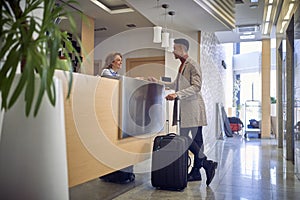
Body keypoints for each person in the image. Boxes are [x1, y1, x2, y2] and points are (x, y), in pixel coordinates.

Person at [148, 38, 217, 186]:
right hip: (186, 108)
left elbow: (196, 87)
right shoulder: (182, 66)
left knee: (189, 139)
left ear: (181, 48)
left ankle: (204, 165)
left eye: (174, 48)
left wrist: (177, 94)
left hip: (193, 108)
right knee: (192, 140)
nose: (172, 51)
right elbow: (175, 84)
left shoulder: (192, 64)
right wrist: (158, 82)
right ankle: (199, 169)